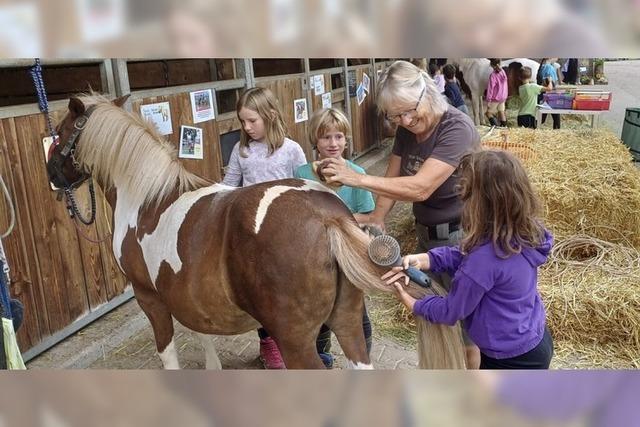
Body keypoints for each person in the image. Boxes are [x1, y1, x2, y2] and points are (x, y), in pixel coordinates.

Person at [321, 60, 481, 368]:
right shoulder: (408, 131)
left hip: (461, 235)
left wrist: (356, 177)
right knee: (432, 314)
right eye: (396, 116)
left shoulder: (456, 127)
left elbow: (421, 188)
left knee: (466, 328)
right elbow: (394, 179)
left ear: (428, 91)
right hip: (427, 235)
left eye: (410, 110)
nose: (406, 120)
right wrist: (378, 215)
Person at [384, 150, 554, 370]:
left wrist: (416, 305)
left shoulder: (483, 261)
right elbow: (470, 253)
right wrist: (428, 259)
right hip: (535, 338)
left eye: (465, 195)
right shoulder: (523, 232)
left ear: (480, 203)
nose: (461, 201)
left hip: (509, 358)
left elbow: (452, 311)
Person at [222, 87, 307, 369]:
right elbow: (229, 186)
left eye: (252, 121)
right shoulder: (241, 150)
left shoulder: (292, 150)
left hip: (285, 233)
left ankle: (292, 339)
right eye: (242, 121)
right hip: (251, 235)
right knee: (259, 290)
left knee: (288, 289)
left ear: (270, 115)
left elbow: (306, 189)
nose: (246, 127)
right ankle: (268, 341)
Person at [294, 107, 374, 368]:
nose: (333, 143)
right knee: (317, 313)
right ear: (315, 140)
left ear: (346, 140)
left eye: (339, 136)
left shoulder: (356, 173)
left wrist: (335, 223)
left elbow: (368, 215)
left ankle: (363, 358)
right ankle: (322, 358)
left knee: (356, 313)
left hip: (348, 256)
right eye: (326, 137)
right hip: (313, 257)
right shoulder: (300, 174)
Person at [537, 58, 561, 129]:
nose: (557, 58)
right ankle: (557, 131)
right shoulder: (549, 68)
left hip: (543, 94)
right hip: (550, 94)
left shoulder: (543, 67)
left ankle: (534, 127)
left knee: (542, 116)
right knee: (556, 116)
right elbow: (550, 82)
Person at [485, 58, 508, 127]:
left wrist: (488, 100)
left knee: (488, 113)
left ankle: (495, 127)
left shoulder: (493, 75)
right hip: (503, 97)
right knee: (501, 111)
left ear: (492, 65)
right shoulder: (503, 72)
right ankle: (504, 127)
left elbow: (490, 89)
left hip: (496, 98)